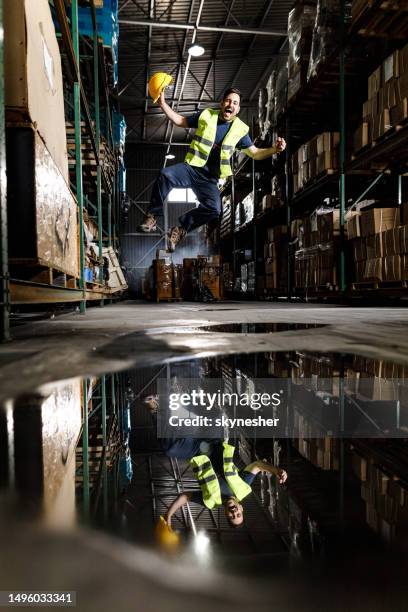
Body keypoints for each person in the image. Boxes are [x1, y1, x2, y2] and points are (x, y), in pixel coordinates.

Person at [139, 87, 286, 251]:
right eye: (229, 101)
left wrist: (275, 149)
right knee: (165, 175)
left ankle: (180, 230)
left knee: (214, 209)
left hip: (210, 179)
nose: (231, 105)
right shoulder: (207, 115)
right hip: (192, 169)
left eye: (235, 103)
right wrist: (163, 104)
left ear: (237, 109)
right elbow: (180, 121)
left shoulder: (240, 130)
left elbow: (255, 153)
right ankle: (152, 217)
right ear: (222, 103)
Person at [162, 439, 287, 529]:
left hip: (196, 451)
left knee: (169, 448)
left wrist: (169, 514)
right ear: (241, 508)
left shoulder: (210, 501)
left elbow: (185, 497)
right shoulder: (243, 488)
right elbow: (257, 465)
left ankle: (155, 407)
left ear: (226, 514)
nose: (234, 512)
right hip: (214, 442)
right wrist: (276, 471)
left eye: (232, 516)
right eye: (238, 514)